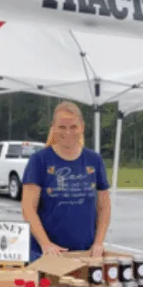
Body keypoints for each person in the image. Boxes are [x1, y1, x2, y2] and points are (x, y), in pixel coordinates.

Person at [21, 101, 111, 261]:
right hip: (47, 255)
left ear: (82, 127)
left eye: (73, 127)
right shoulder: (39, 160)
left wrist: (98, 243)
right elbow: (28, 208)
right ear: (53, 127)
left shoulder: (94, 160)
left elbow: (104, 207)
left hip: (85, 254)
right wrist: (46, 244)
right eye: (62, 127)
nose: (68, 132)